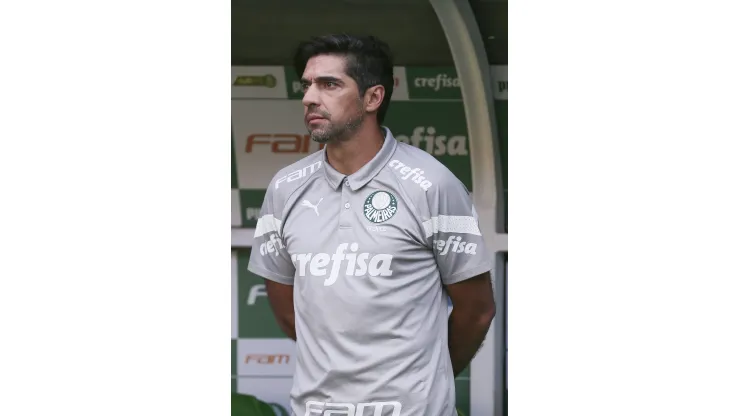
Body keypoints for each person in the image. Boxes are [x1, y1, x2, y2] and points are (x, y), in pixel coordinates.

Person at [247, 33, 495, 416]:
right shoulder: (285, 188)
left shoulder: (432, 184)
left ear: (373, 98)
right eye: (307, 85)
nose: (310, 97)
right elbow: (286, 310)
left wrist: (426, 380)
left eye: (329, 84)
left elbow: (476, 310)